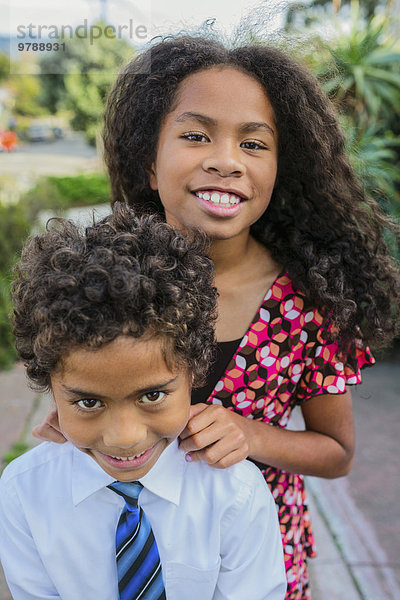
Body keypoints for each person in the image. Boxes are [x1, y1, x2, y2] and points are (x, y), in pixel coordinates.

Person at [34, 36, 400, 599]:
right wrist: (79, 414)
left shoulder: (307, 304)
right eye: (196, 135)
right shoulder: (102, 282)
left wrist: (250, 434)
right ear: (148, 164)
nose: (225, 160)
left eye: (253, 143)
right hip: (127, 552)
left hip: (257, 565)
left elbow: (337, 454)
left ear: (282, 169)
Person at [0, 204, 287, 600]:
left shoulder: (234, 494)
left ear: (194, 371)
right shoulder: (22, 493)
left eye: (152, 396)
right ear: (49, 381)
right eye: (87, 402)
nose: (124, 437)